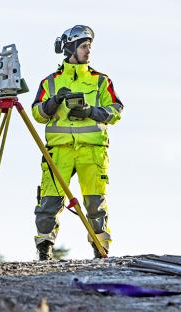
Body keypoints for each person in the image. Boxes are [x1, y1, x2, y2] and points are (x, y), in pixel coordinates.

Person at [31, 25, 123, 260]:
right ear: (70, 48)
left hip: (92, 152)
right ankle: (44, 250)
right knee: (49, 203)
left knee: (95, 204)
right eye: (83, 46)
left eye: (90, 46)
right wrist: (53, 102)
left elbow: (116, 111)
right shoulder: (49, 82)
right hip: (59, 151)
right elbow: (37, 114)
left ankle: (101, 251)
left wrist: (91, 111)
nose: (88, 50)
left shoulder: (101, 81)